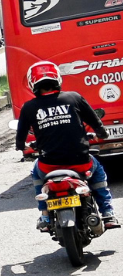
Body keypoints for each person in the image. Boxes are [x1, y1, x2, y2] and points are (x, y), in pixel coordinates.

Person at [16, 60, 118, 230]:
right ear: (57, 78)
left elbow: (20, 136)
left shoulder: (28, 107)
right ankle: (107, 214)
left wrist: (21, 147)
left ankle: (45, 216)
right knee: (98, 173)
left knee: (36, 172)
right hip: (81, 162)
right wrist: (102, 134)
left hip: (49, 165)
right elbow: (95, 121)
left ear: (33, 83)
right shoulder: (74, 98)